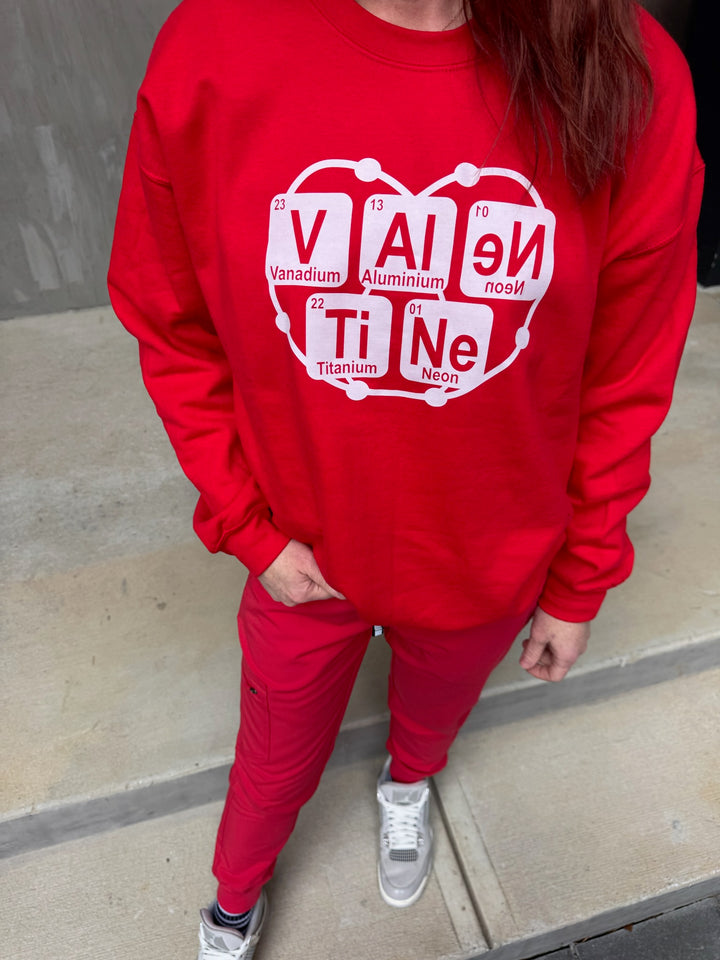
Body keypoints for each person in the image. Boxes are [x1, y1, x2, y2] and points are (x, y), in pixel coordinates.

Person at [108, 0, 703, 956]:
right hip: (301, 553)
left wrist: (581, 573)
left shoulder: (627, 65)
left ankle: (407, 784)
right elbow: (169, 321)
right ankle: (234, 893)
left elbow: (626, 373)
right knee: (271, 757)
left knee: (432, 714)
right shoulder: (217, 43)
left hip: (490, 551)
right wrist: (247, 526)